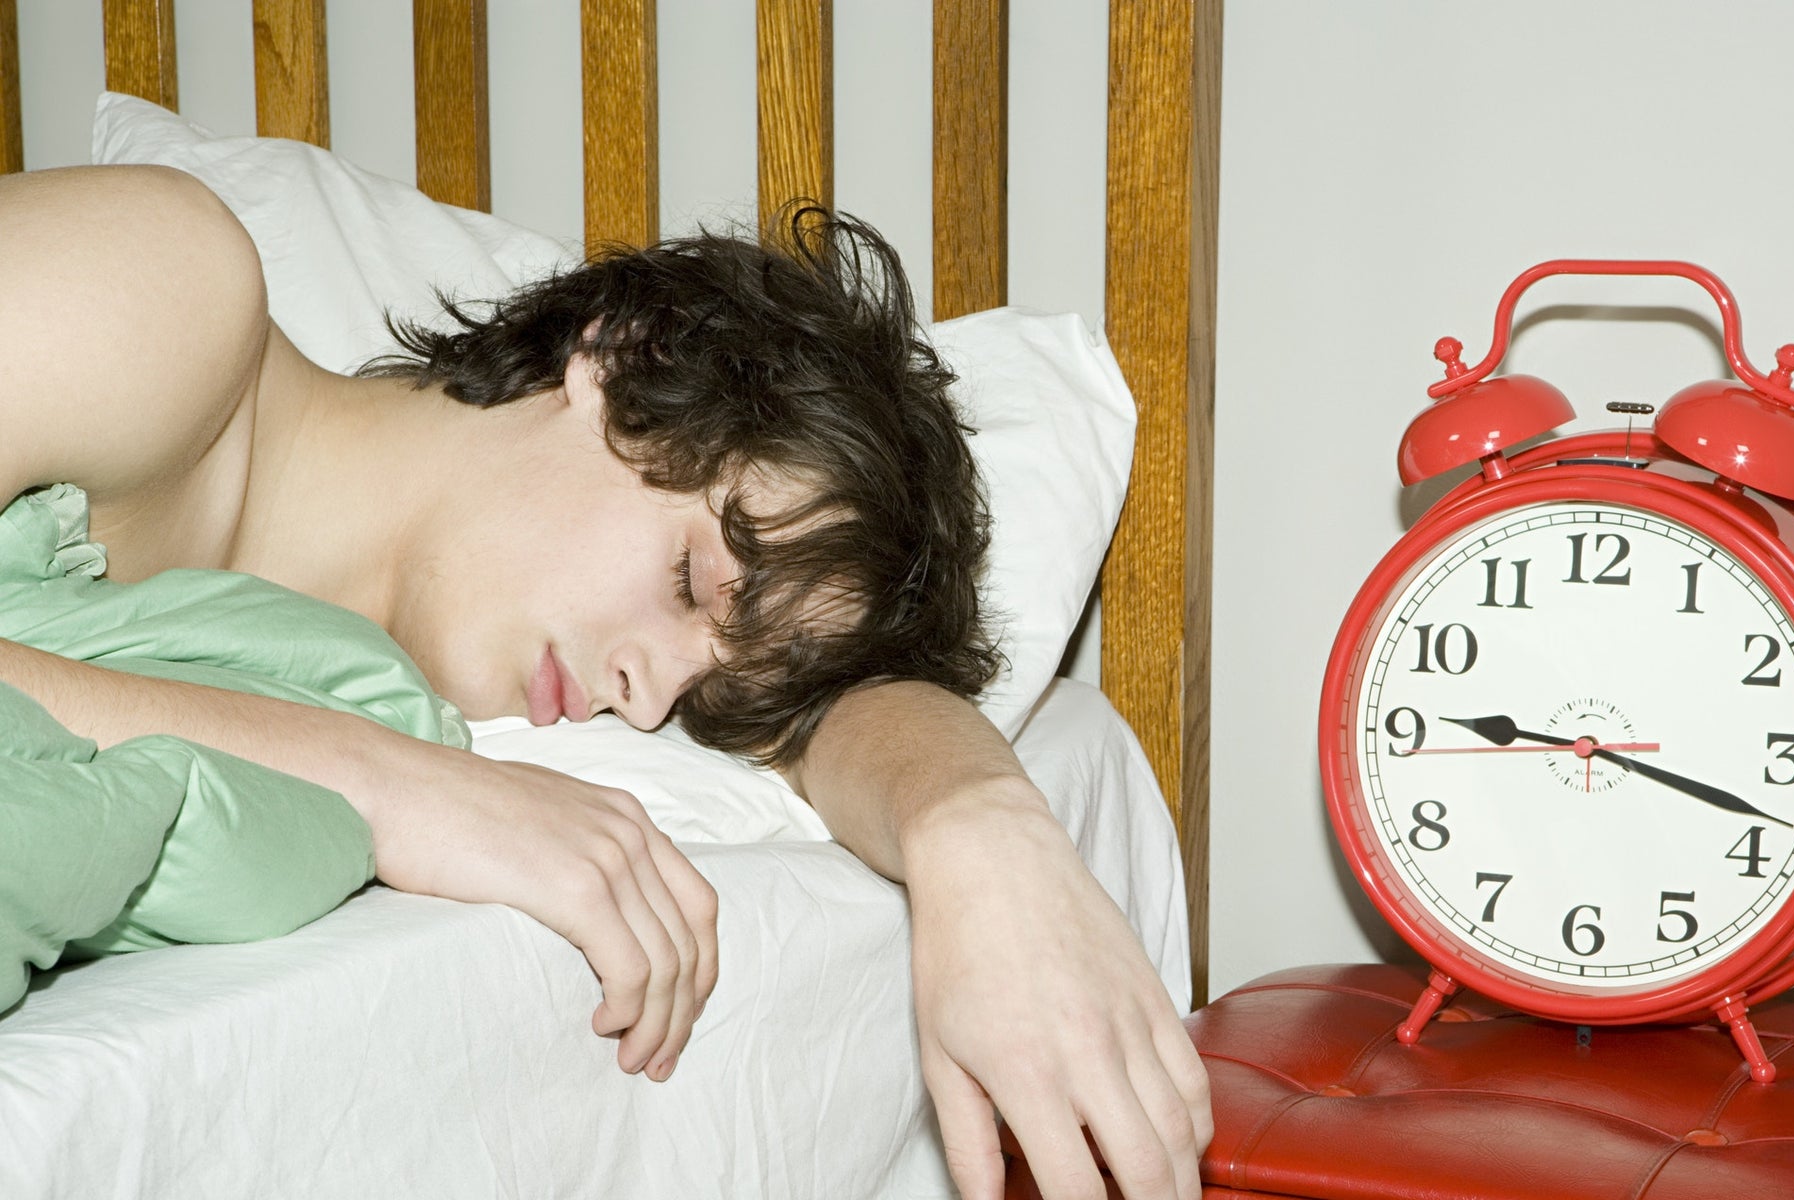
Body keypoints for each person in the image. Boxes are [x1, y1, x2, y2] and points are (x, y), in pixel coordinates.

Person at [0, 164, 1211, 1200]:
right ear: (618, 368)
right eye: (691, 582)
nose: (642, 695)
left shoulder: (395, 676)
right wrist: (390, 788)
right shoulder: (166, 291)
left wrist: (981, 830)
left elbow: (844, 730)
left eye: (698, 694)